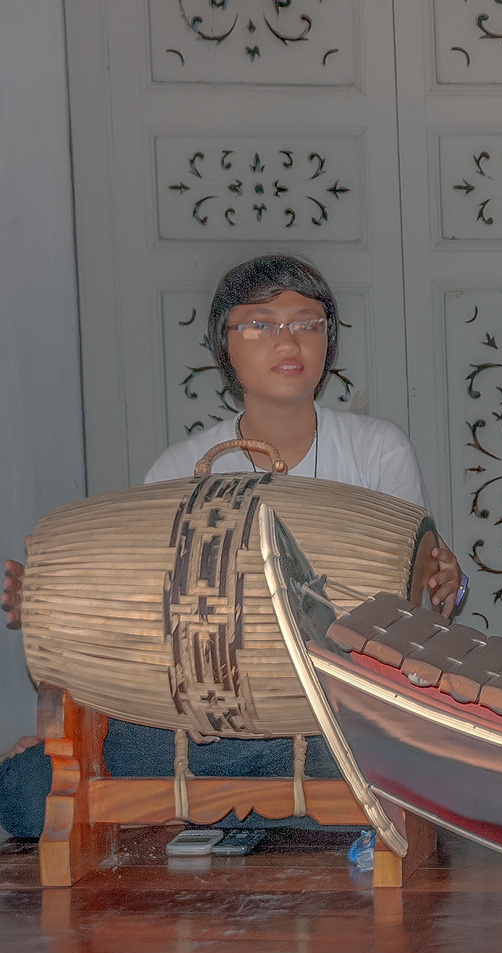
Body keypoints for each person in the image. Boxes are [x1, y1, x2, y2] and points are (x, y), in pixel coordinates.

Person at [1, 254, 463, 847]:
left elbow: (414, 602)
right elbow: (149, 632)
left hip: (335, 716)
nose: (287, 340)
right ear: (225, 345)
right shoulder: (177, 470)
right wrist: (52, 605)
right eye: (261, 323)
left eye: (307, 321)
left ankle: (221, 810)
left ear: (329, 341)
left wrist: (446, 583)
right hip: (207, 725)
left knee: (398, 748)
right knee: (25, 790)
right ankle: (265, 809)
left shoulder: (378, 451)